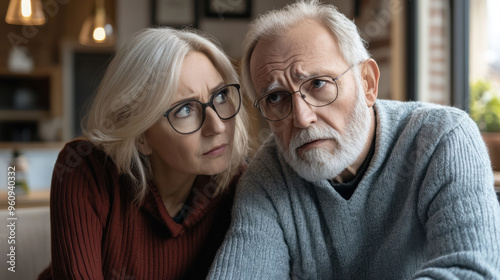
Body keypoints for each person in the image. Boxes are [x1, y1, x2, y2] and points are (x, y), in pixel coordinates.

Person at [208, 1, 500, 279]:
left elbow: (471, 270)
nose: (301, 117)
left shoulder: (443, 138)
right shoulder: (268, 176)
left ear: (368, 83)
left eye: (319, 84)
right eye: (275, 97)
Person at [38, 27, 249, 279]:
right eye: (184, 110)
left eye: (221, 95)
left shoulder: (240, 184)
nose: (217, 126)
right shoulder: (84, 170)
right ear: (141, 136)